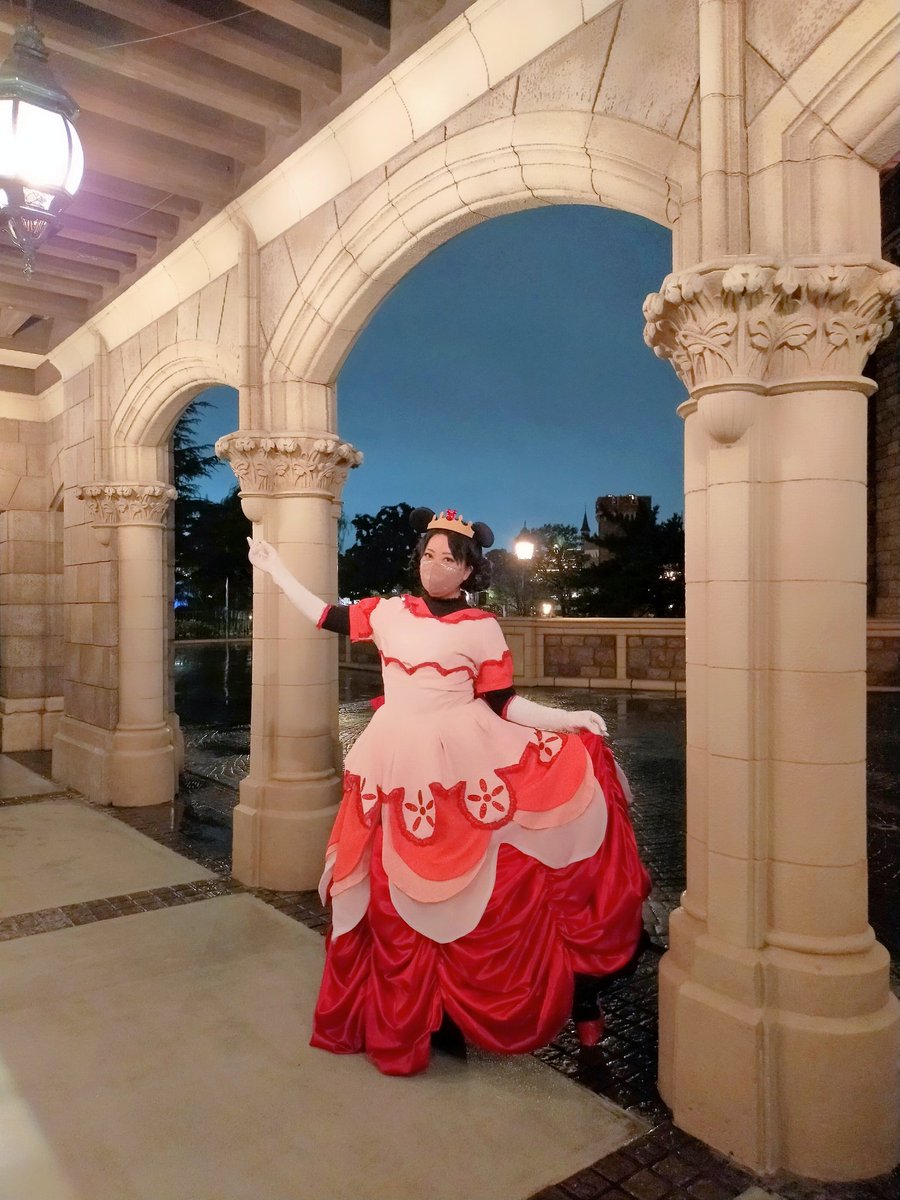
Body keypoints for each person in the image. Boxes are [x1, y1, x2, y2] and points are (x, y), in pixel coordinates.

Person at [247, 506, 650, 1076]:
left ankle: (460, 1004)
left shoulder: (481, 627)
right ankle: (423, 1013)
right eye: (428, 555)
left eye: (448, 559)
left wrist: (567, 720)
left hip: (466, 757)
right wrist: (275, 569)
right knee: (391, 885)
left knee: (483, 875)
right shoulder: (387, 612)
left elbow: (503, 702)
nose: (434, 566)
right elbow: (325, 614)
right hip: (394, 760)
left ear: (468, 570)